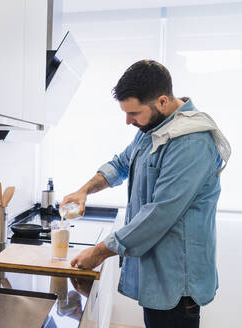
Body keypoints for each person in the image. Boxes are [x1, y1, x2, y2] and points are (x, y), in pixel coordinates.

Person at [61, 59, 231, 328]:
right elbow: (120, 164)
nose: (128, 121)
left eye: (134, 113)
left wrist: (100, 252)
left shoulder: (191, 142)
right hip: (158, 276)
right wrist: (84, 191)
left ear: (162, 101)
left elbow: (159, 213)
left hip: (177, 283)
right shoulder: (153, 128)